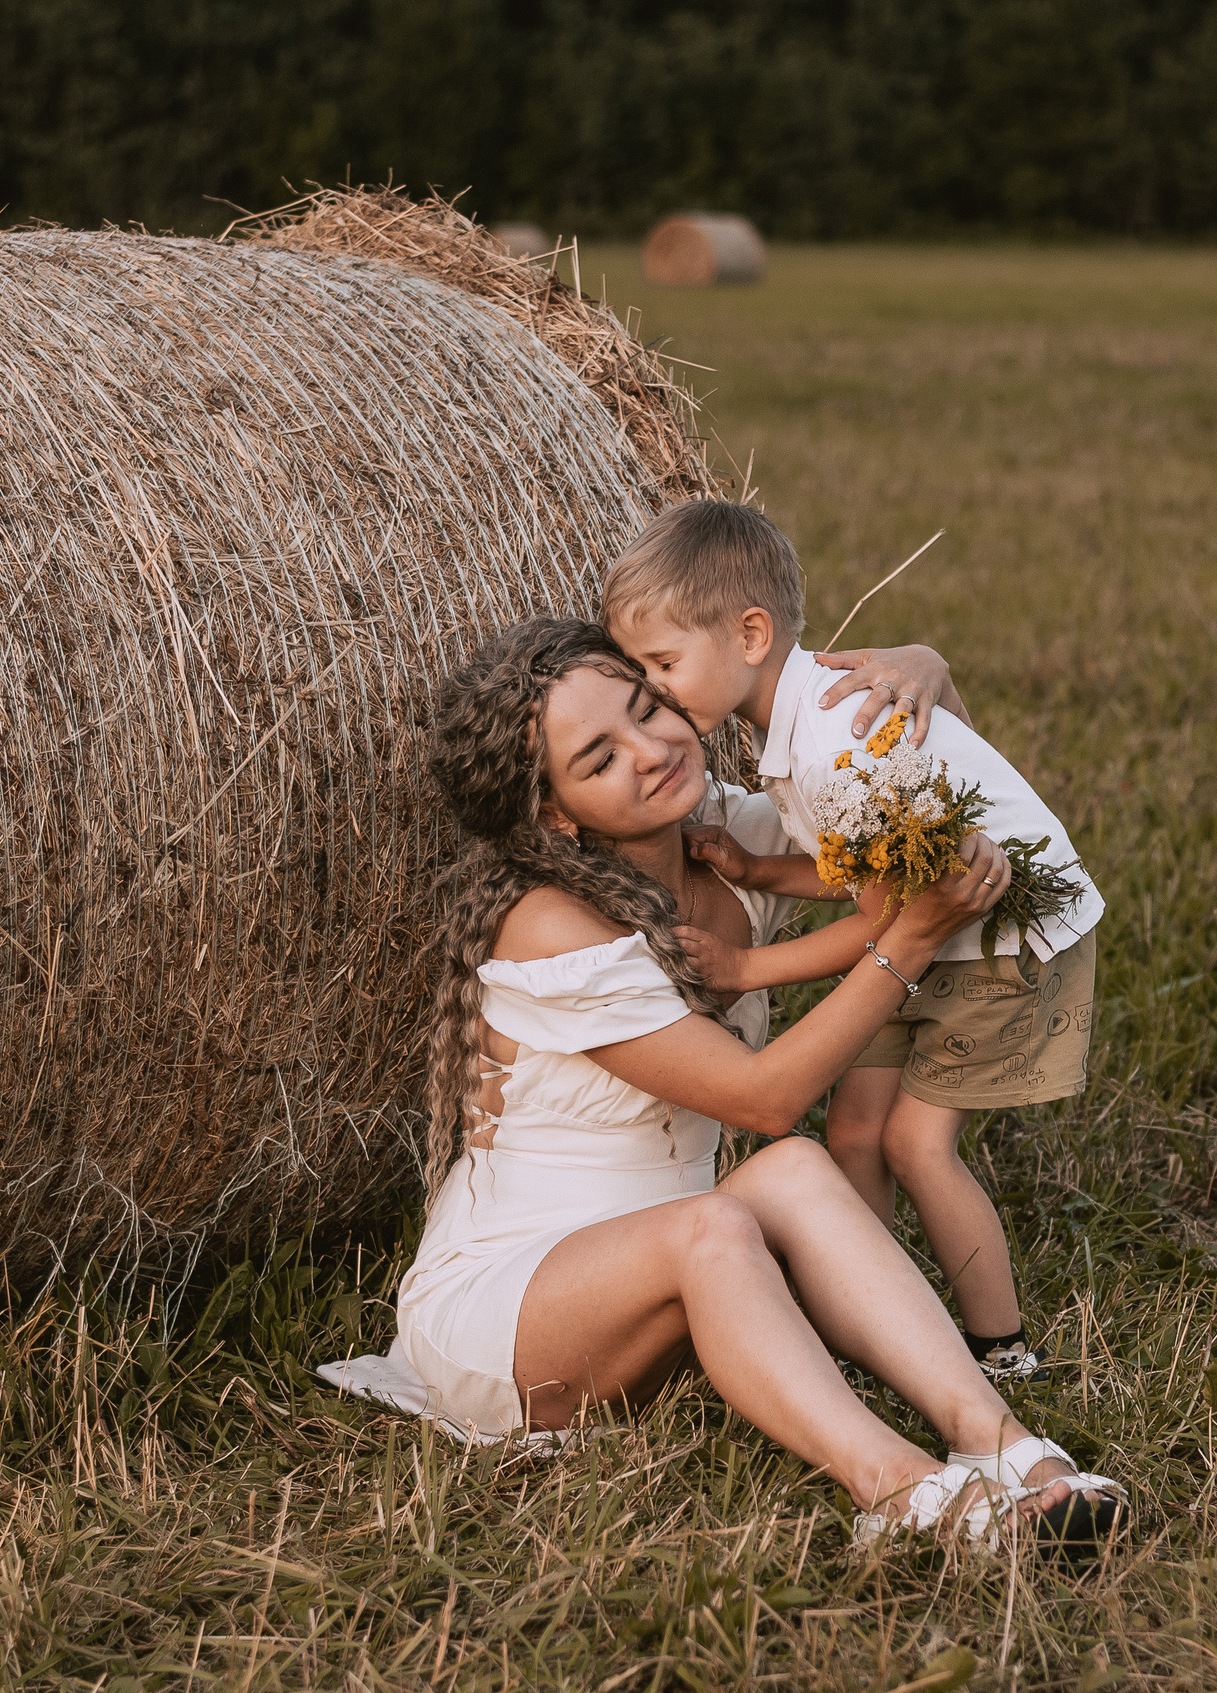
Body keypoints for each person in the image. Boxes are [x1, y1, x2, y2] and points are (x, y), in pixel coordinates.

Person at [319, 617, 1127, 1551]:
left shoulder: (733, 835)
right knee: (719, 1211)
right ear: (556, 814)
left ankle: (1009, 1448)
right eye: (600, 755)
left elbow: (927, 811)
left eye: (645, 706)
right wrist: (905, 940)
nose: (654, 749)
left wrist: (926, 677)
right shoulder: (548, 923)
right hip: (509, 1315)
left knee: (791, 1172)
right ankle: (906, 1495)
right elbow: (759, 1097)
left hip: (686, 1283)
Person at [602, 500, 1107, 1383]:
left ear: (751, 633)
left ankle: (1003, 1348)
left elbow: (883, 925)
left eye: (664, 663)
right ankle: (874, 1318)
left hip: (1008, 934)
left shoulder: (835, 743)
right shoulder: (796, 730)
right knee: (854, 1132)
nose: (653, 691)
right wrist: (760, 873)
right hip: (933, 931)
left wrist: (747, 965)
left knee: (915, 1143)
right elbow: (873, 873)